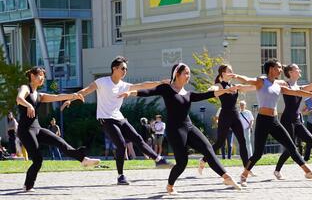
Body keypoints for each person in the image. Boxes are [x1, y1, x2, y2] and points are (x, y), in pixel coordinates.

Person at [120, 63, 242, 194]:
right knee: (182, 162)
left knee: (208, 149)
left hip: (189, 127)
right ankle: (170, 185)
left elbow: (206, 95)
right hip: (175, 130)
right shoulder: (167, 88)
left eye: (189, 73)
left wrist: (225, 90)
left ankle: (226, 177)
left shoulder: (188, 94)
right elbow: (149, 91)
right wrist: (131, 92)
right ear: (177, 74)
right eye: (186, 73)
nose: (188, 76)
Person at [62, 56, 172, 185]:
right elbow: (85, 91)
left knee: (137, 138)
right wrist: (71, 98)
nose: (125, 71)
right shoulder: (102, 82)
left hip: (119, 117)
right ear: (114, 68)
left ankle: (158, 160)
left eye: (126, 69)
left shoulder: (124, 85)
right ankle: (121, 176)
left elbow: (143, 85)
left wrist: (161, 82)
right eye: (123, 68)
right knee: (121, 145)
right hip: (106, 119)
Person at [230, 59, 312, 186]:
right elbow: (247, 80)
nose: (281, 70)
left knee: (292, 147)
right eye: (278, 67)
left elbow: (295, 92)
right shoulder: (261, 82)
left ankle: (307, 171)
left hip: (274, 121)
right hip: (262, 120)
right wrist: (236, 76)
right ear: (271, 69)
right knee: (257, 154)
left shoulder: (280, 84)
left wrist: (311, 95)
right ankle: (244, 175)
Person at [16, 66, 100, 192]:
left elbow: (57, 96)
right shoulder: (25, 88)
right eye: (40, 76)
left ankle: (83, 159)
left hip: (37, 128)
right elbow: (19, 99)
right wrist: (28, 105)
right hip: (25, 130)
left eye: (43, 77)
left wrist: (74, 95)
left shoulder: (40, 95)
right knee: (38, 159)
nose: (42, 79)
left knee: (59, 141)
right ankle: (27, 185)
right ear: (32, 76)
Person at [199, 64, 255, 174]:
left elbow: (250, 87)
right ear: (223, 73)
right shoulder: (219, 85)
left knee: (242, 141)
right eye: (229, 70)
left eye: (232, 70)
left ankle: (246, 169)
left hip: (235, 115)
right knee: (220, 143)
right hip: (224, 116)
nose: (232, 72)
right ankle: (203, 160)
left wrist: (259, 85)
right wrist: (212, 88)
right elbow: (213, 89)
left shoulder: (235, 85)